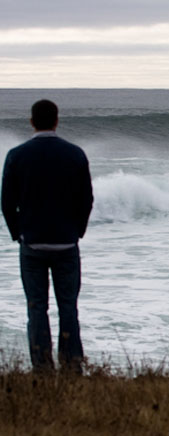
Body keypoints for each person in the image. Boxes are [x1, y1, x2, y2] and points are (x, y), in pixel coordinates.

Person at [2, 99, 94, 374]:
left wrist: (18, 233)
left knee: (36, 308)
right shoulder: (74, 154)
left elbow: (6, 202)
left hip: (32, 244)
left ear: (32, 122)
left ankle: (42, 368)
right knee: (68, 307)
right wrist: (78, 231)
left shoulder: (16, 155)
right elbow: (86, 199)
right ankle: (72, 367)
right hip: (66, 242)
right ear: (56, 120)